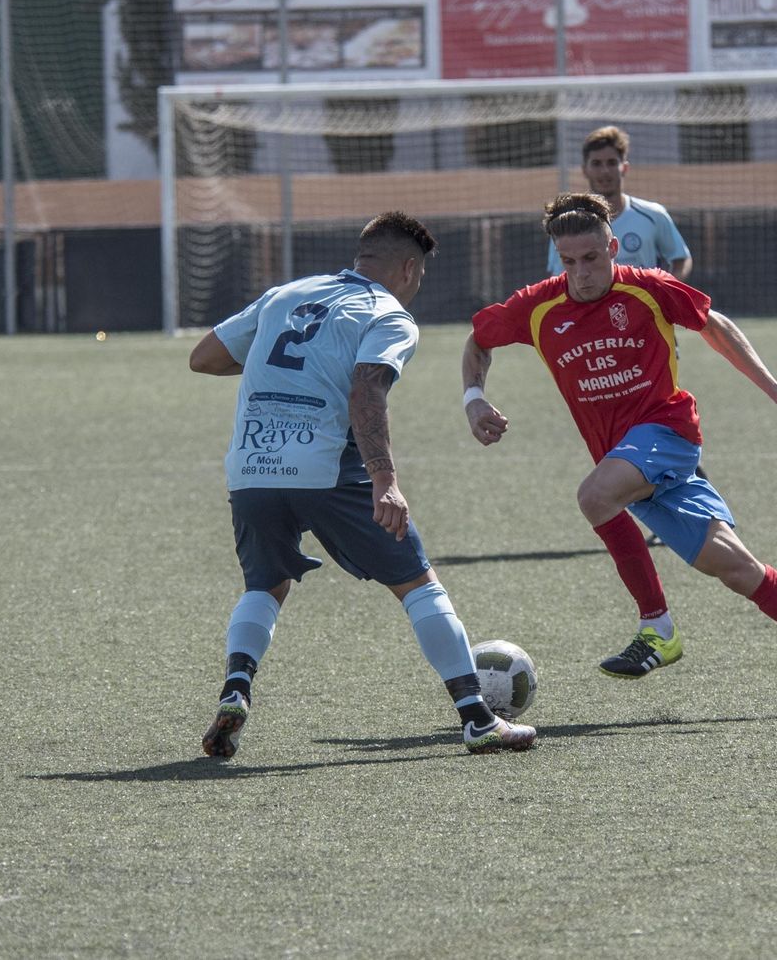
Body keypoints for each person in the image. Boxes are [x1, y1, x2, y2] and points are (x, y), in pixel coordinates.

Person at [463, 192, 777, 712]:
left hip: (668, 435)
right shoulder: (539, 306)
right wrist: (474, 399)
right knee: (740, 571)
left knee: (593, 497)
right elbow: (478, 340)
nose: (582, 273)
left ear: (613, 246)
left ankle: (657, 628)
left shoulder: (649, 290)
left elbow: (714, 324)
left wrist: (774, 388)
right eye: (569, 262)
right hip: (632, 467)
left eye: (592, 258)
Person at [189, 211, 536, 758]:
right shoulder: (388, 314)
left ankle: (237, 687)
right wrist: (386, 480)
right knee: (419, 585)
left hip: (251, 466)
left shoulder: (287, 293)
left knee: (265, 586)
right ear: (407, 267)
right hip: (327, 467)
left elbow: (204, 357)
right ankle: (477, 718)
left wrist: (283, 373)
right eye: (418, 277)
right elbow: (366, 391)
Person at [545, 125, 692, 281]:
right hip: (592, 306)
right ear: (584, 170)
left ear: (624, 168)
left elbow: (681, 259)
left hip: (643, 304)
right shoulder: (568, 224)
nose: (605, 171)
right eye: (596, 163)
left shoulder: (653, 215)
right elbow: (558, 276)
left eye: (612, 163)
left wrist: (666, 291)